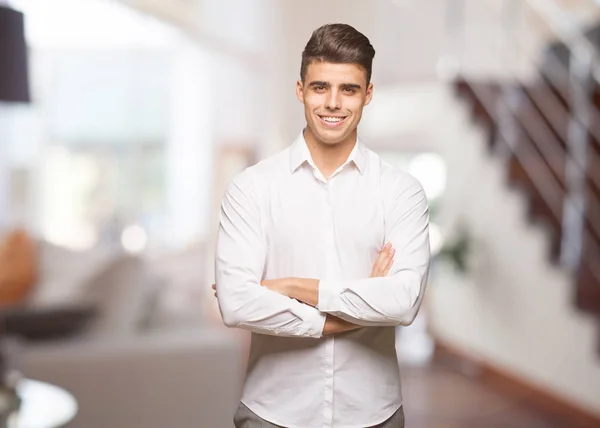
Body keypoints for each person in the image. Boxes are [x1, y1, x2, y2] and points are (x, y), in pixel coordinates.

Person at [214, 23, 430, 428]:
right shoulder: (252, 188)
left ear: (368, 94)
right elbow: (236, 302)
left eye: (348, 89)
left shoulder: (402, 192)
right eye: (320, 87)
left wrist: (291, 287)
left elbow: (403, 301)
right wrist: (345, 316)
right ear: (300, 90)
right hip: (272, 413)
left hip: (373, 415)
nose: (333, 103)